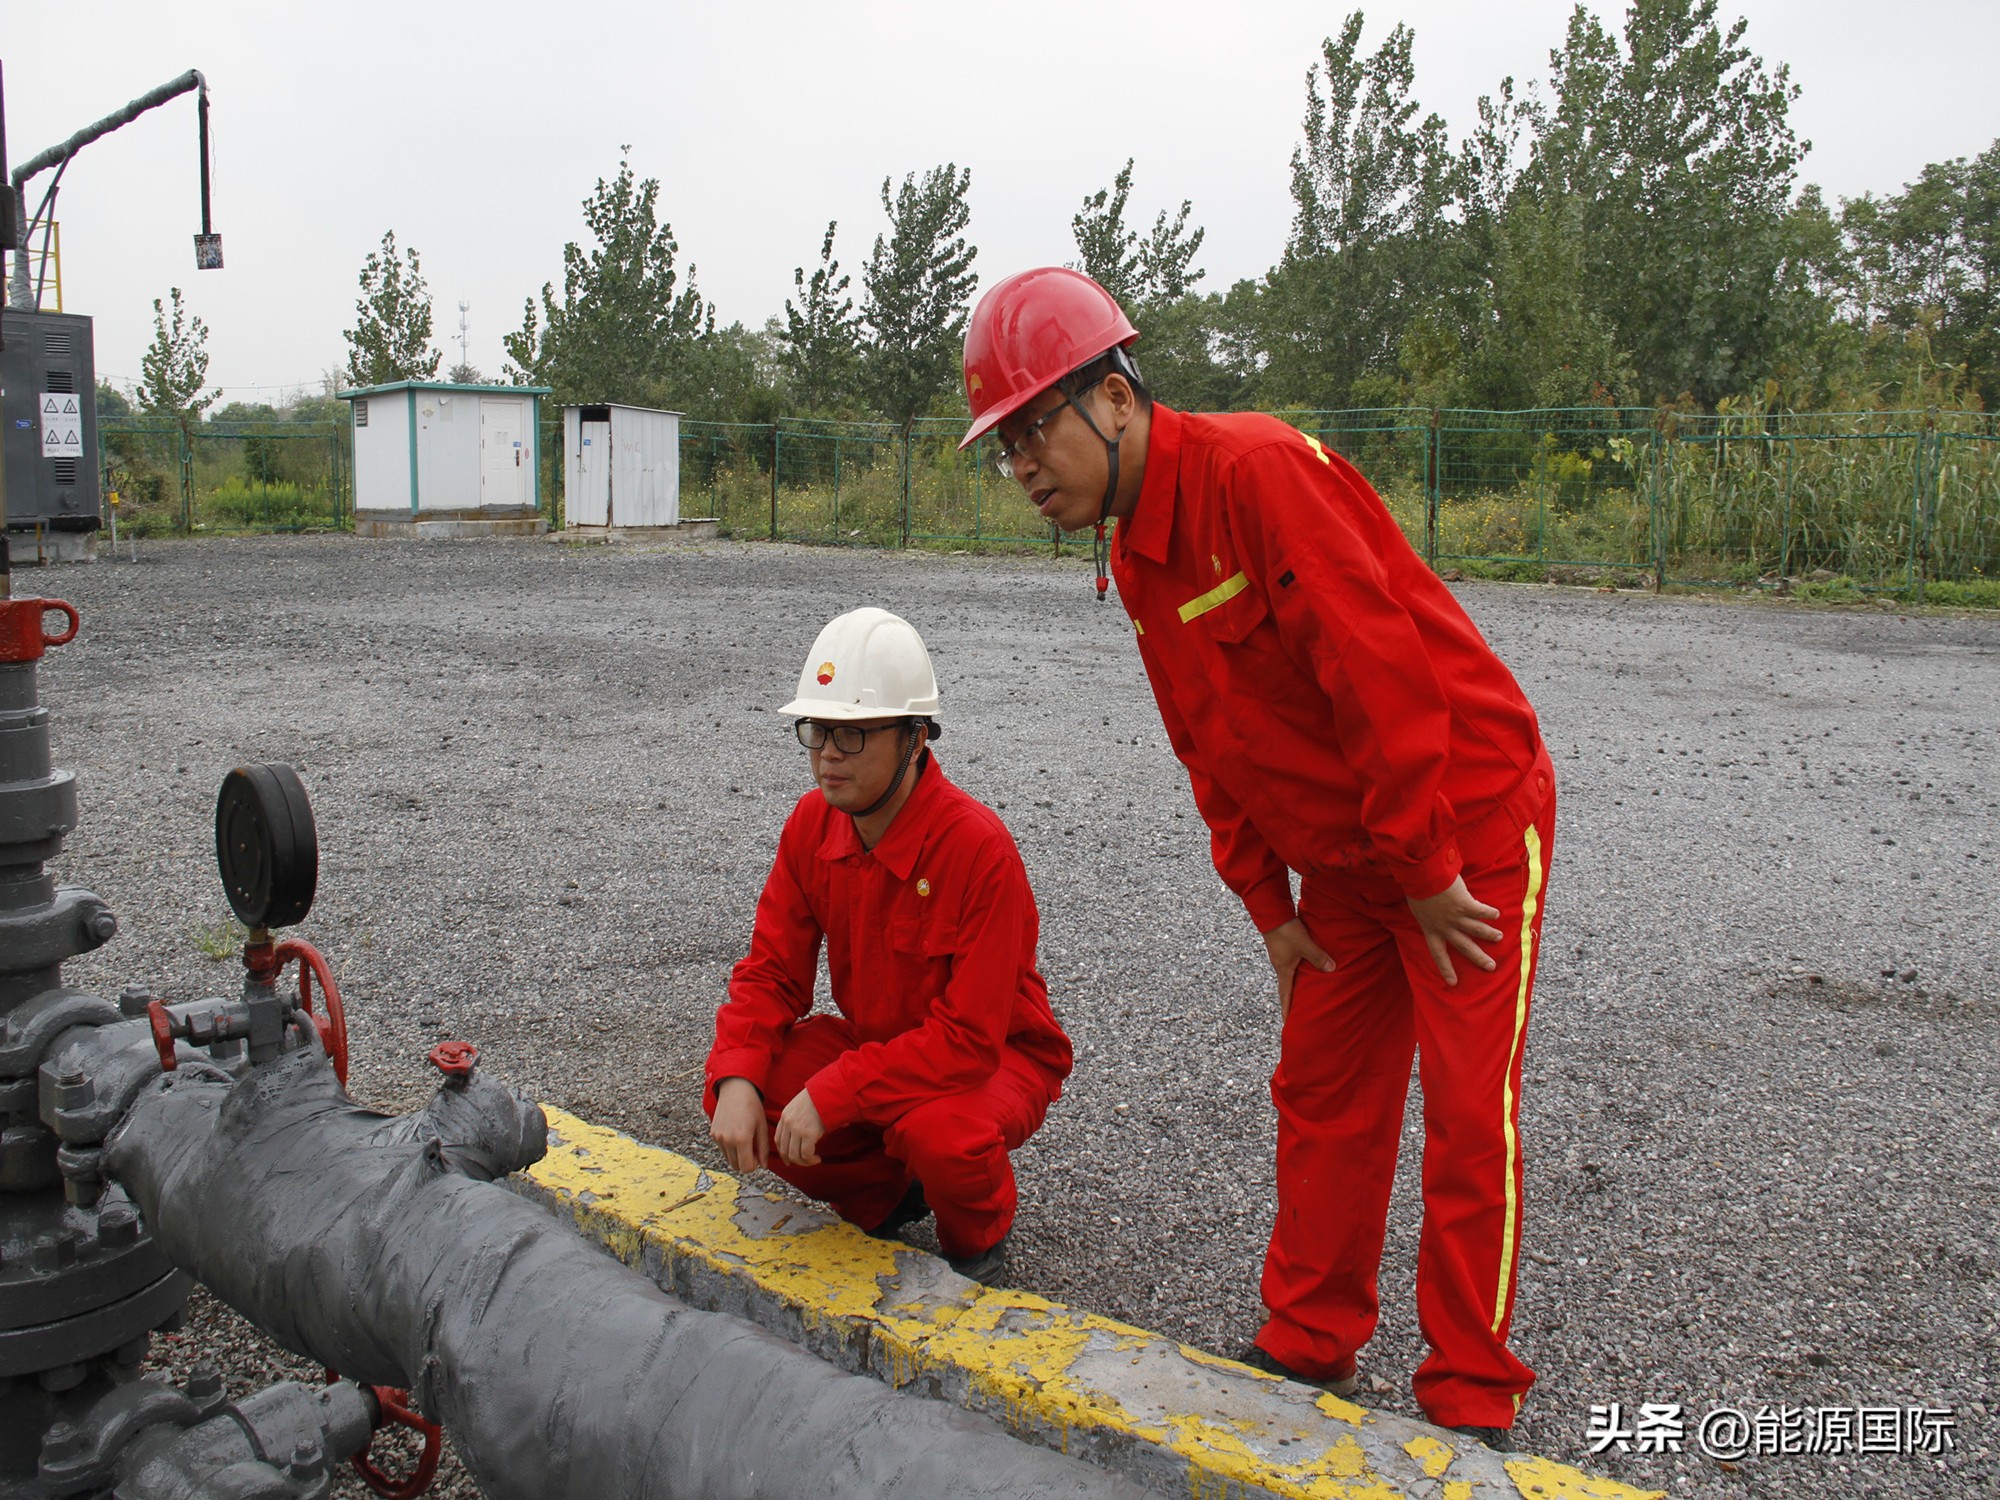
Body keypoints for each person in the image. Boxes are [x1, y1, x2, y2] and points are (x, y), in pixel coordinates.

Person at [958, 268, 1556, 1446]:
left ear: (1115, 399)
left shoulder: (1258, 473)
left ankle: (1470, 1396)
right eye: (1003, 442)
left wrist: (1431, 870)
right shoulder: (1133, 554)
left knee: (1464, 1113)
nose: (1022, 462)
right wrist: (1266, 905)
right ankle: (1307, 1339)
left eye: (1034, 426)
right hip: (1347, 865)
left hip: (1462, 831)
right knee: (1322, 1094)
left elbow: (1375, 671)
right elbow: (1208, 738)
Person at [704, 607, 1072, 1286]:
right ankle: (891, 1192)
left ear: (916, 737)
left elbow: (968, 1039)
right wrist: (735, 1077)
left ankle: (980, 1224)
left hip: (991, 1059)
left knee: (941, 1135)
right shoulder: (812, 824)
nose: (826, 755)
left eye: (851, 734)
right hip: (883, 1047)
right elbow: (770, 973)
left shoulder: (977, 849)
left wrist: (839, 1090)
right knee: (754, 1092)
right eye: (816, 731)